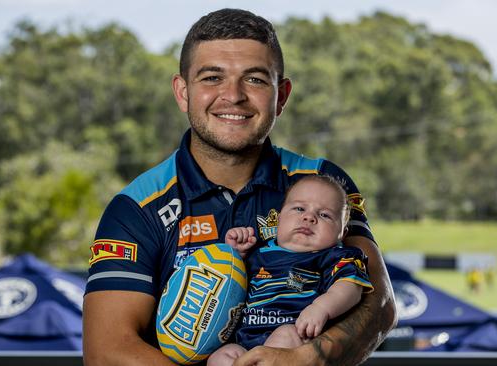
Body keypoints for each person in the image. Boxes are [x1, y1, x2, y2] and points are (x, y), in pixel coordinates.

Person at [83, 8, 396, 366]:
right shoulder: (137, 207)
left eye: (255, 80)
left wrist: (309, 358)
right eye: (212, 77)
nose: (233, 96)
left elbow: (380, 305)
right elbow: (107, 350)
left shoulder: (322, 183)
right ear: (182, 92)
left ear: (281, 95)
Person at [208, 175, 374, 366]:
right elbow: (232, 285)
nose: (309, 217)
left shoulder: (333, 257)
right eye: (299, 209)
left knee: (285, 335)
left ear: (342, 232)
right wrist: (235, 255)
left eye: (324, 215)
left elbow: (351, 287)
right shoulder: (258, 253)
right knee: (222, 356)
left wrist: (321, 308)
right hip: (246, 340)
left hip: (296, 338)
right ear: (279, 218)